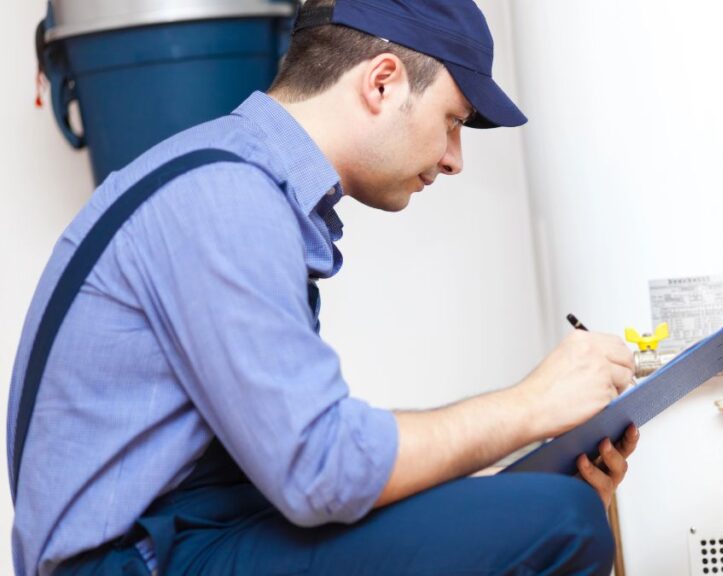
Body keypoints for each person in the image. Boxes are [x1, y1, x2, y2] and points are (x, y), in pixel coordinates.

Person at [7, 0, 639, 574]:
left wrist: (524, 485)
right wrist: (532, 405)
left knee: (544, 509)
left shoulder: (237, 181)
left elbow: (305, 469)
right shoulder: (226, 198)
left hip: (196, 536)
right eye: (453, 120)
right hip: (135, 562)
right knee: (559, 522)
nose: (454, 158)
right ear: (382, 81)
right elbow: (321, 470)